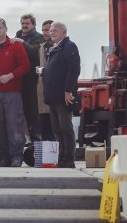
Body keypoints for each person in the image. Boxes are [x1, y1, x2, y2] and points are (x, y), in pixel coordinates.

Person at [0, 18, 30, 167]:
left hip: (12, 92)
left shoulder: (16, 45)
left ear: (6, 29)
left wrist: (10, 76)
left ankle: (17, 157)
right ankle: (3, 157)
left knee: (15, 125)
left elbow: (25, 66)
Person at [41, 21, 81, 168]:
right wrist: (44, 72)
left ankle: (69, 159)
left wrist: (68, 90)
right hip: (53, 96)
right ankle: (62, 157)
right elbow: (56, 70)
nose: (51, 33)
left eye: (55, 30)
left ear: (64, 32)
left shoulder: (69, 46)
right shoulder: (54, 48)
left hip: (63, 95)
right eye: (50, 30)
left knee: (65, 128)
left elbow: (74, 69)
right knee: (57, 129)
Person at [15, 13, 46, 142]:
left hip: (33, 80)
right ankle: (29, 141)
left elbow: (36, 53)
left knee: (35, 113)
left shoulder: (39, 37)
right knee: (25, 112)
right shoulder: (18, 35)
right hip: (22, 80)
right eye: (23, 23)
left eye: (27, 23)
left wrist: (22, 43)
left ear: (33, 25)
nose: (24, 26)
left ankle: (37, 140)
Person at [37, 20, 55, 140]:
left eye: (48, 30)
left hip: (55, 93)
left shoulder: (60, 47)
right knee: (45, 127)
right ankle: (48, 157)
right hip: (42, 93)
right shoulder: (41, 47)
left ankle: (62, 155)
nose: (45, 33)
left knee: (57, 127)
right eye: (43, 30)